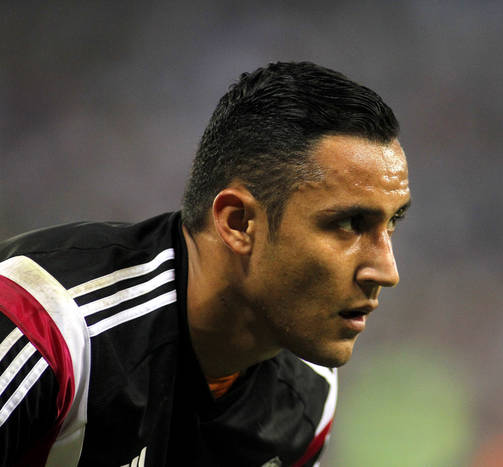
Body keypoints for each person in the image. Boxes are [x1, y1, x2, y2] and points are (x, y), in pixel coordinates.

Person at [0, 61, 411, 466]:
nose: (387, 272)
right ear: (238, 223)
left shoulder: (307, 392)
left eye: (392, 222)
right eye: (350, 224)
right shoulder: (47, 324)